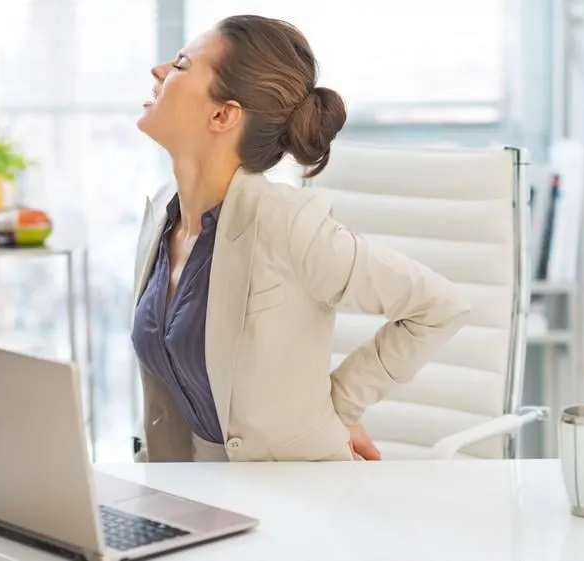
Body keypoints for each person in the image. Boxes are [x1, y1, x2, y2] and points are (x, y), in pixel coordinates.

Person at [131, 14, 470, 463]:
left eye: (180, 65)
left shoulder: (286, 224)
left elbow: (438, 306)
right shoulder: (161, 217)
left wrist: (341, 406)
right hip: (199, 492)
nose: (158, 71)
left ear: (222, 114)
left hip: (299, 494)